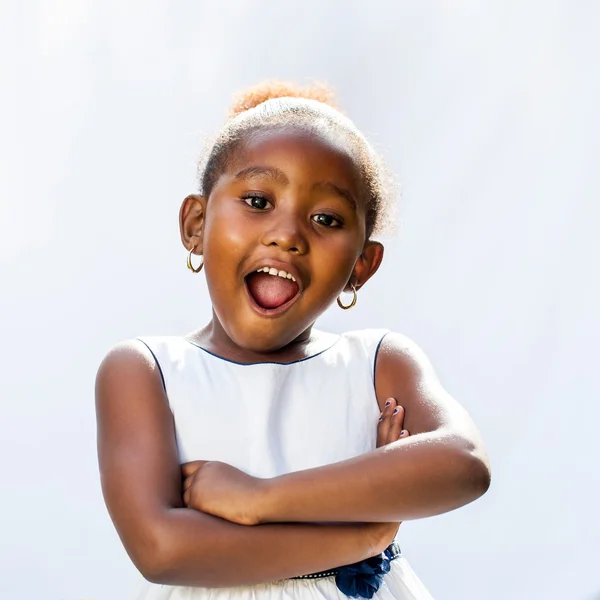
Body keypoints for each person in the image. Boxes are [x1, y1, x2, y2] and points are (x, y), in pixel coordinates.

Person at [95, 81, 491, 600]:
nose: (288, 234)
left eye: (326, 218)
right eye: (258, 200)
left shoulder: (376, 363)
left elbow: (463, 463)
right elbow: (162, 549)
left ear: (361, 267)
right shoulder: (147, 370)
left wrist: (259, 499)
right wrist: (365, 535)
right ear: (196, 223)